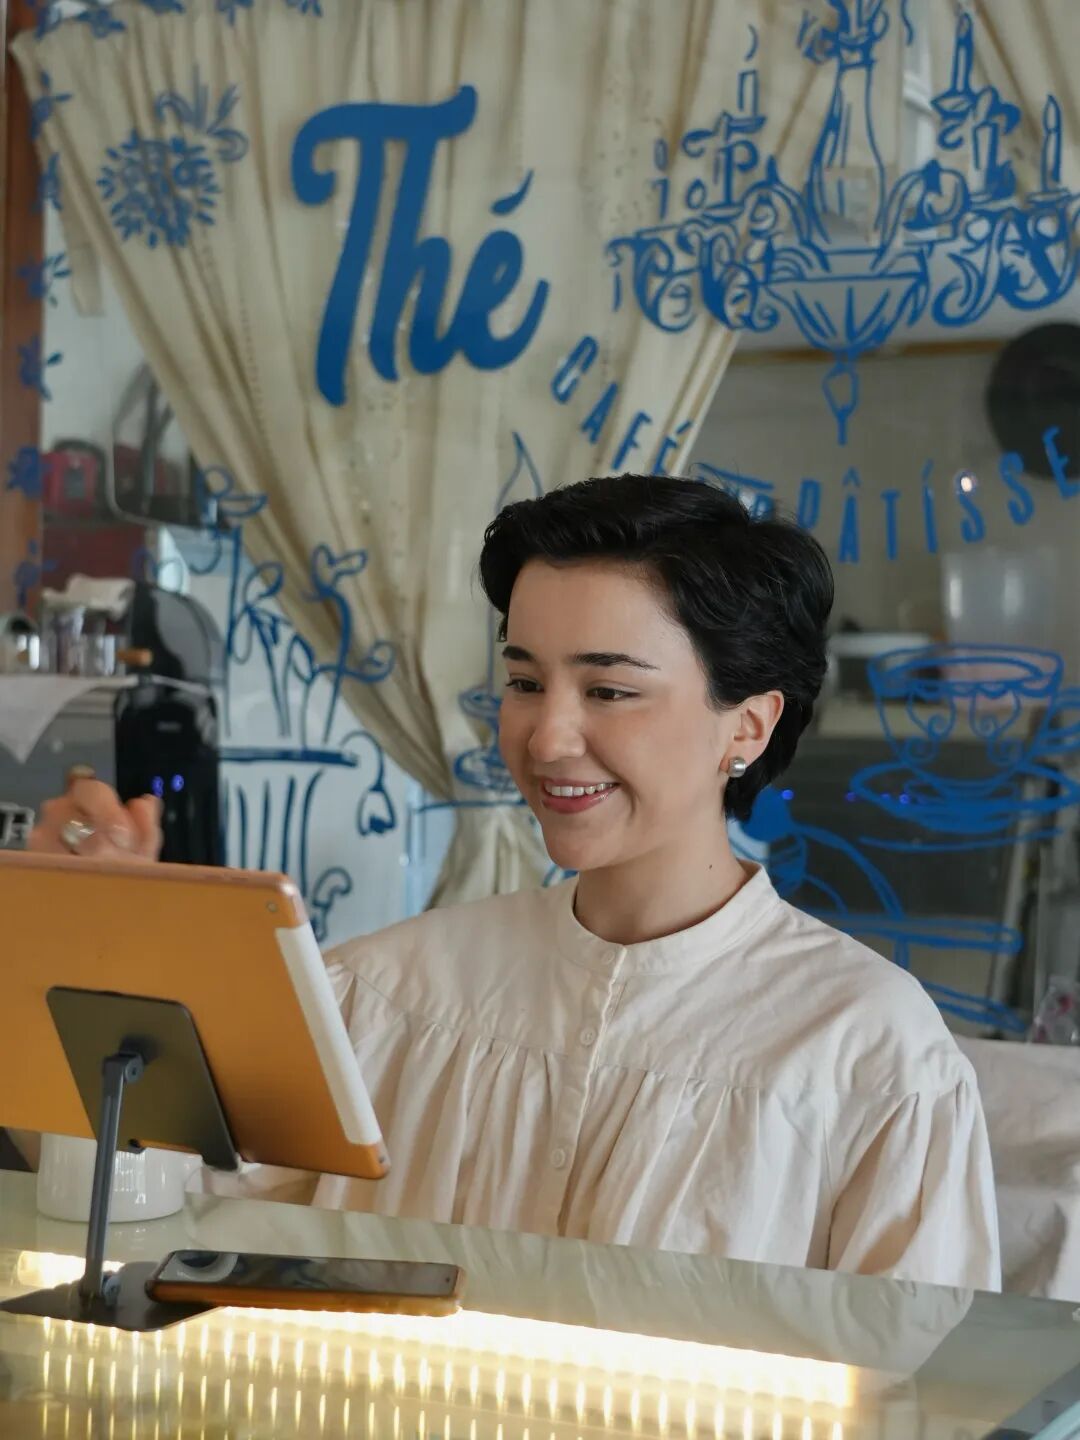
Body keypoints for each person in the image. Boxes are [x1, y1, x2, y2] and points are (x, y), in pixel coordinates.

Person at [26, 475, 1001, 1289]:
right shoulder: (382, 992)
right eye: (526, 681)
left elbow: (928, 1389)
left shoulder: (869, 1055)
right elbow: (130, 1208)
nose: (547, 736)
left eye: (609, 689)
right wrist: (92, 935)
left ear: (747, 724)